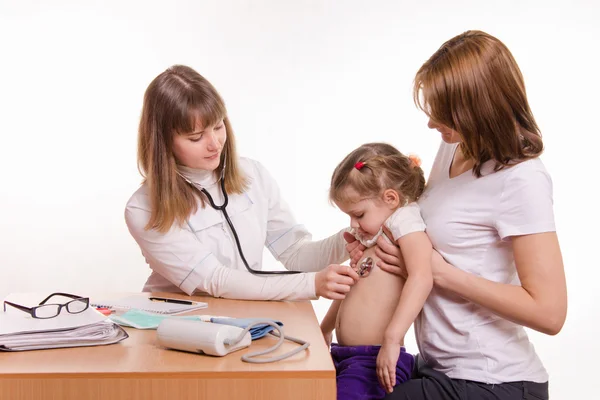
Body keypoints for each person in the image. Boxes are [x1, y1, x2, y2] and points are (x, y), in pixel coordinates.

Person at [345, 30, 567, 400]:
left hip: (493, 380)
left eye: (442, 112)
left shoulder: (522, 179)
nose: (432, 123)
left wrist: (442, 273)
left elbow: (549, 313)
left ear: (479, 109)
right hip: (440, 366)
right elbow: (422, 238)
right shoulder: (455, 148)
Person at [124, 65, 359, 301]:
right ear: (164, 143)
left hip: (245, 314)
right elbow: (215, 279)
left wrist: (356, 234)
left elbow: (295, 253)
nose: (215, 144)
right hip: (176, 323)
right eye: (196, 137)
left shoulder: (253, 175)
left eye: (218, 126)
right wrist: (310, 284)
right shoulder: (143, 208)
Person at [319, 143, 434, 400]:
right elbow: (354, 288)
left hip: (374, 360)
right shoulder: (377, 236)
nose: (353, 224)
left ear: (391, 198)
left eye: (358, 214)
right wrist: (325, 329)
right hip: (347, 356)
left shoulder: (404, 222)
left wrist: (392, 340)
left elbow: (422, 276)